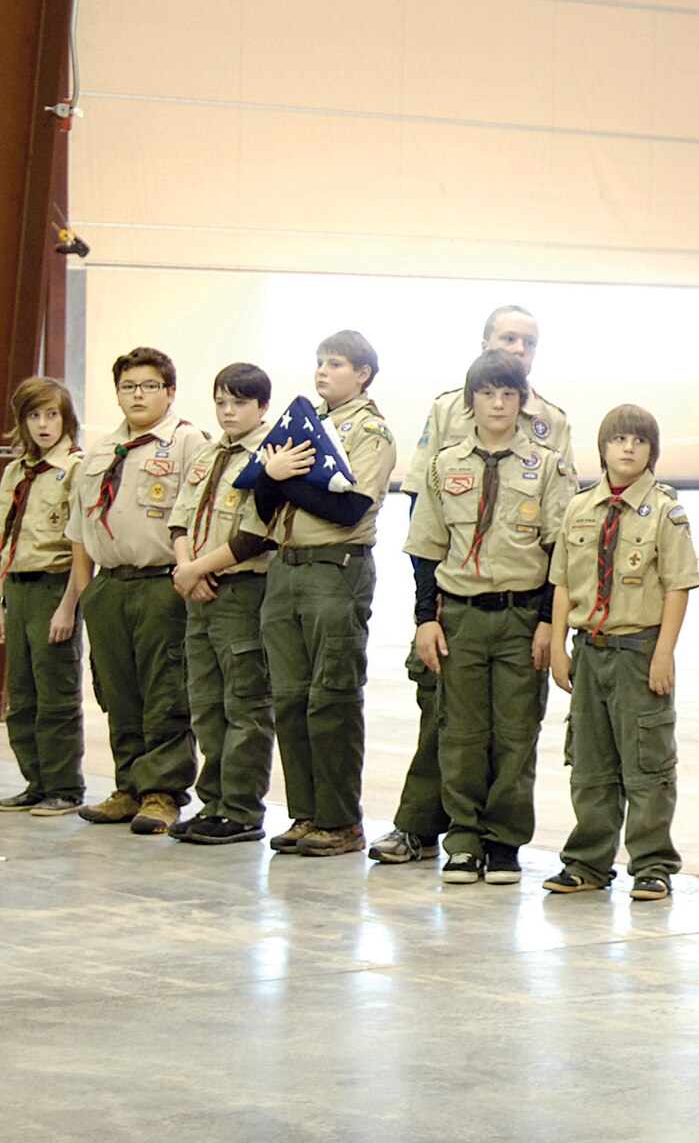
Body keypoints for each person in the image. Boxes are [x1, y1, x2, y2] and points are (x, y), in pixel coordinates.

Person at [371, 304, 575, 866]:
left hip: (519, 599)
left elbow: (561, 525)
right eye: (508, 338)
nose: (518, 349)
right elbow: (424, 503)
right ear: (484, 343)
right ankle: (425, 828)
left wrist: (549, 620)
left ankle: (495, 839)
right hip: (455, 595)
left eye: (528, 342)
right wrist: (428, 609)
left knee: (511, 728)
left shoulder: (551, 422)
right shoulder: (448, 408)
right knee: (445, 718)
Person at [542, 405, 699, 902]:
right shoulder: (580, 508)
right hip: (590, 650)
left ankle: (652, 864)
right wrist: (560, 647)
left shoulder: (665, 512)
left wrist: (664, 652)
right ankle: (587, 862)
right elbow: (562, 583)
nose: (628, 448)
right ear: (603, 448)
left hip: (638, 650)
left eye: (639, 441)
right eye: (619, 440)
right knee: (590, 764)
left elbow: (678, 586)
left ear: (653, 451)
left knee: (647, 764)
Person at [254, 330, 397, 857]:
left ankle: (340, 821)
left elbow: (349, 508)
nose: (322, 371)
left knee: (331, 698)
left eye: (335, 363)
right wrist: (270, 477)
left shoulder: (370, 432)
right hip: (287, 566)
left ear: (363, 373)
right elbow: (263, 504)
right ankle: (307, 813)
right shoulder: (302, 424)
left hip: (335, 569)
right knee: (290, 698)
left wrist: (281, 478)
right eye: (319, 361)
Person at [67, 347, 207, 833]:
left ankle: (161, 793)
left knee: (165, 691)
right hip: (110, 586)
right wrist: (87, 596)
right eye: (128, 387)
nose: (138, 395)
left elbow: (200, 516)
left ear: (170, 391)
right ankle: (127, 786)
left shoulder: (187, 442)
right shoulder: (100, 451)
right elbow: (79, 530)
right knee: (118, 691)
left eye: (149, 386)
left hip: (161, 583)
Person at [168, 363, 279, 844]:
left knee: (245, 703)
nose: (228, 411)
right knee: (206, 703)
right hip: (198, 591)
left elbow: (258, 534)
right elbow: (179, 521)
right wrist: (187, 568)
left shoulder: (270, 456)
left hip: (240, 592)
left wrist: (197, 569)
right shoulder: (209, 453)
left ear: (263, 406)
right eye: (221, 402)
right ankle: (212, 803)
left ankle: (241, 808)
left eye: (239, 402)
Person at [0, 378, 86, 816]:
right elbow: (6, 540)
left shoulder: (75, 468)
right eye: (34, 415)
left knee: (56, 693)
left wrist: (68, 606)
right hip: (17, 587)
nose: (43, 424)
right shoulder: (16, 472)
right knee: (21, 695)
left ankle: (64, 787)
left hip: (55, 586)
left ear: (66, 418)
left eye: (52, 414)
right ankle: (35, 782)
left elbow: (80, 545)